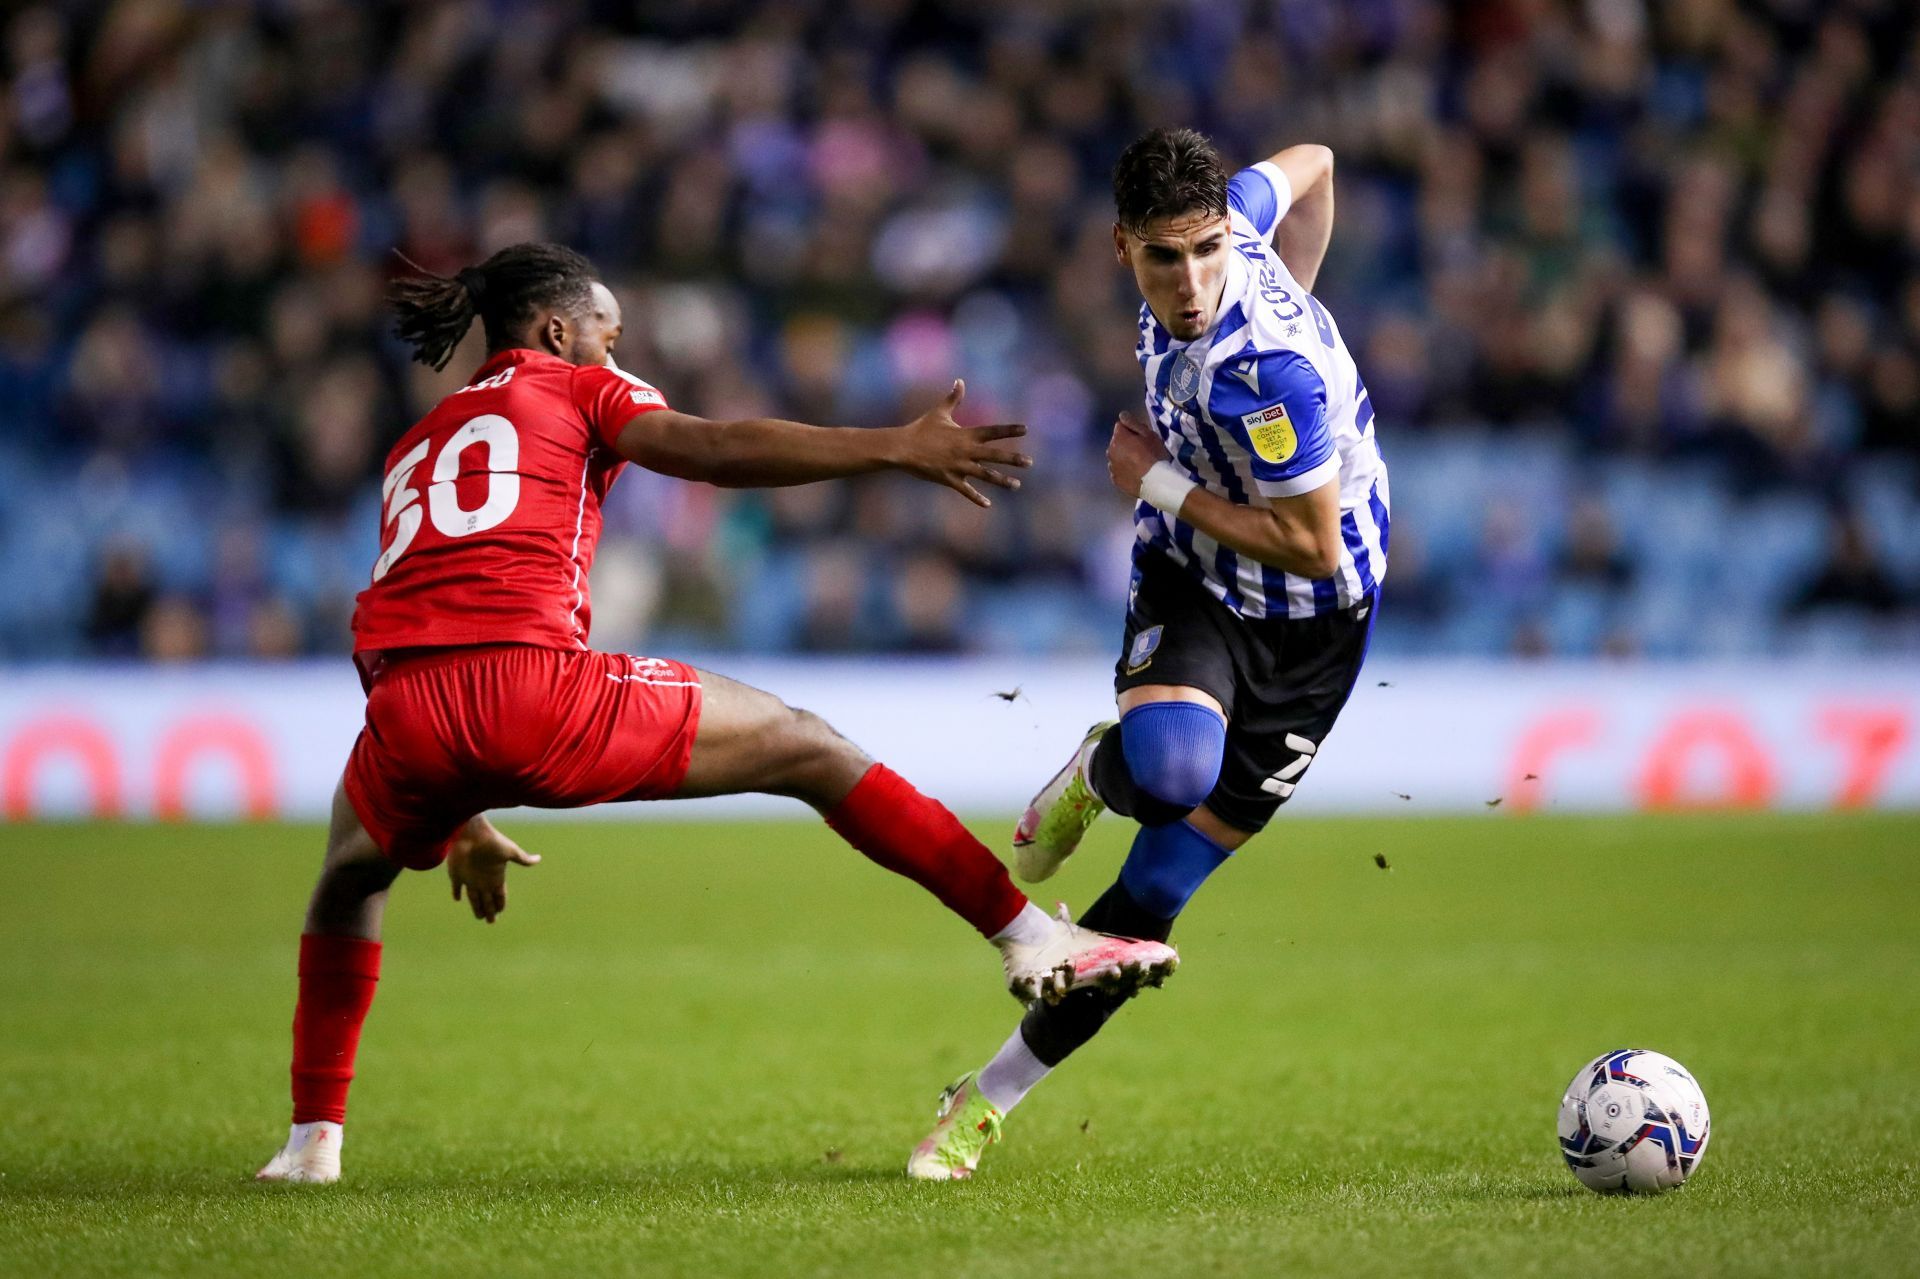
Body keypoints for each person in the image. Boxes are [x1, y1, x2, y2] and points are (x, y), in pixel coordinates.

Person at [255, 242, 1177, 1184]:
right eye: (609, 335)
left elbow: (401, 623)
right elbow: (713, 449)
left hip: (405, 709)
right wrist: (891, 446)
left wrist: (457, 805)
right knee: (810, 749)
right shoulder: (577, 388)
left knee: (346, 879)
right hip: (535, 690)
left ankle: (310, 1142)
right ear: (558, 331)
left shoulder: (417, 444)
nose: (618, 354)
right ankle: (1032, 938)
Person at [908, 129, 1388, 1179]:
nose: (1193, 280)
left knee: (1152, 900)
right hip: (1199, 571)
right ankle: (1102, 766)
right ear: (1121, 244)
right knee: (1171, 773)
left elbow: (1309, 543)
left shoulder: (1267, 374)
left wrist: (1158, 483)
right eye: (1166, 258)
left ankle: (984, 1095)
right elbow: (1314, 162)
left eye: (1210, 251)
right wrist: (1286, 275)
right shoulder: (1234, 234)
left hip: (1311, 624)